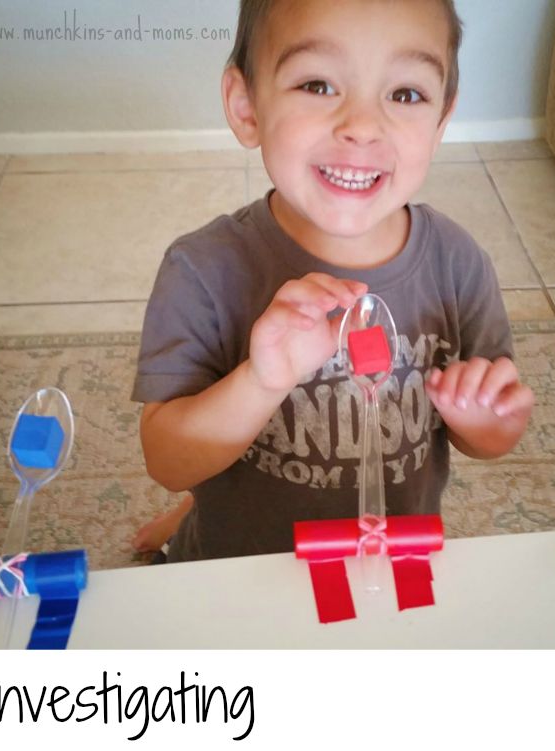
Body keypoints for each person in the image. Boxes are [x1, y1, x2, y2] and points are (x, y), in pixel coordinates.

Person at [132, 0, 534, 562]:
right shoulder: (202, 270)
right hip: (242, 571)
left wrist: (487, 421)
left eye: (406, 94)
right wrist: (262, 380)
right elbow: (168, 462)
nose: (363, 127)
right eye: (318, 85)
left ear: (442, 119)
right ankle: (189, 523)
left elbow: (485, 440)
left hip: (389, 565)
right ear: (247, 107)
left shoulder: (459, 265)